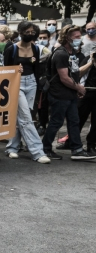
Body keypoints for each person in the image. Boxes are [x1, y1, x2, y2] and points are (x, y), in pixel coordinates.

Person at [41, 25, 96, 161]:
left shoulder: (70, 53)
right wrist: (79, 88)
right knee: (56, 121)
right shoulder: (61, 54)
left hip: (68, 94)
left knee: (74, 121)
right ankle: (46, 149)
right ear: (67, 37)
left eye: (79, 36)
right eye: (76, 37)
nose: (79, 39)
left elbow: (73, 73)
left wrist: (75, 89)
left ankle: (77, 150)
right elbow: (64, 78)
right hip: (60, 94)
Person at [2, 21, 50, 163]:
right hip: (17, 83)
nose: (30, 34)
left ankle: (12, 147)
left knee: (22, 116)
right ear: (21, 32)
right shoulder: (12, 48)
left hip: (32, 83)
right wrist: (16, 70)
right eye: (27, 32)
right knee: (26, 118)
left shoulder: (36, 49)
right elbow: (6, 69)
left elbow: (36, 69)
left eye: (32, 32)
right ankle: (37, 151)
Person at [77, 44, 96, 154]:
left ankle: (91, 144)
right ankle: (74, 142)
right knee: (79, 118)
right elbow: (78, 72)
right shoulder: (88, 59)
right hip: (86, 93)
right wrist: (91, 62)